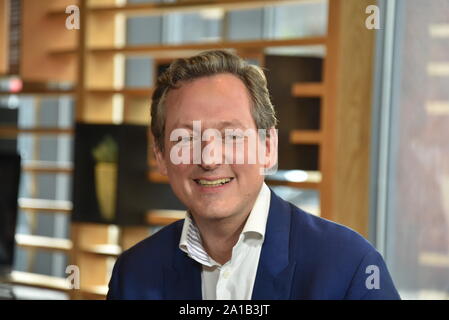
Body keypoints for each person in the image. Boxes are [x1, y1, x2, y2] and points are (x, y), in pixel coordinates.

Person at [107, 50, 400, 300]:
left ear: (268, 148)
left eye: (231, 136)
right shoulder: (133, 275)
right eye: (186, 139)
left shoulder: (350, 267)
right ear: (160, 155)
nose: (209, 158)